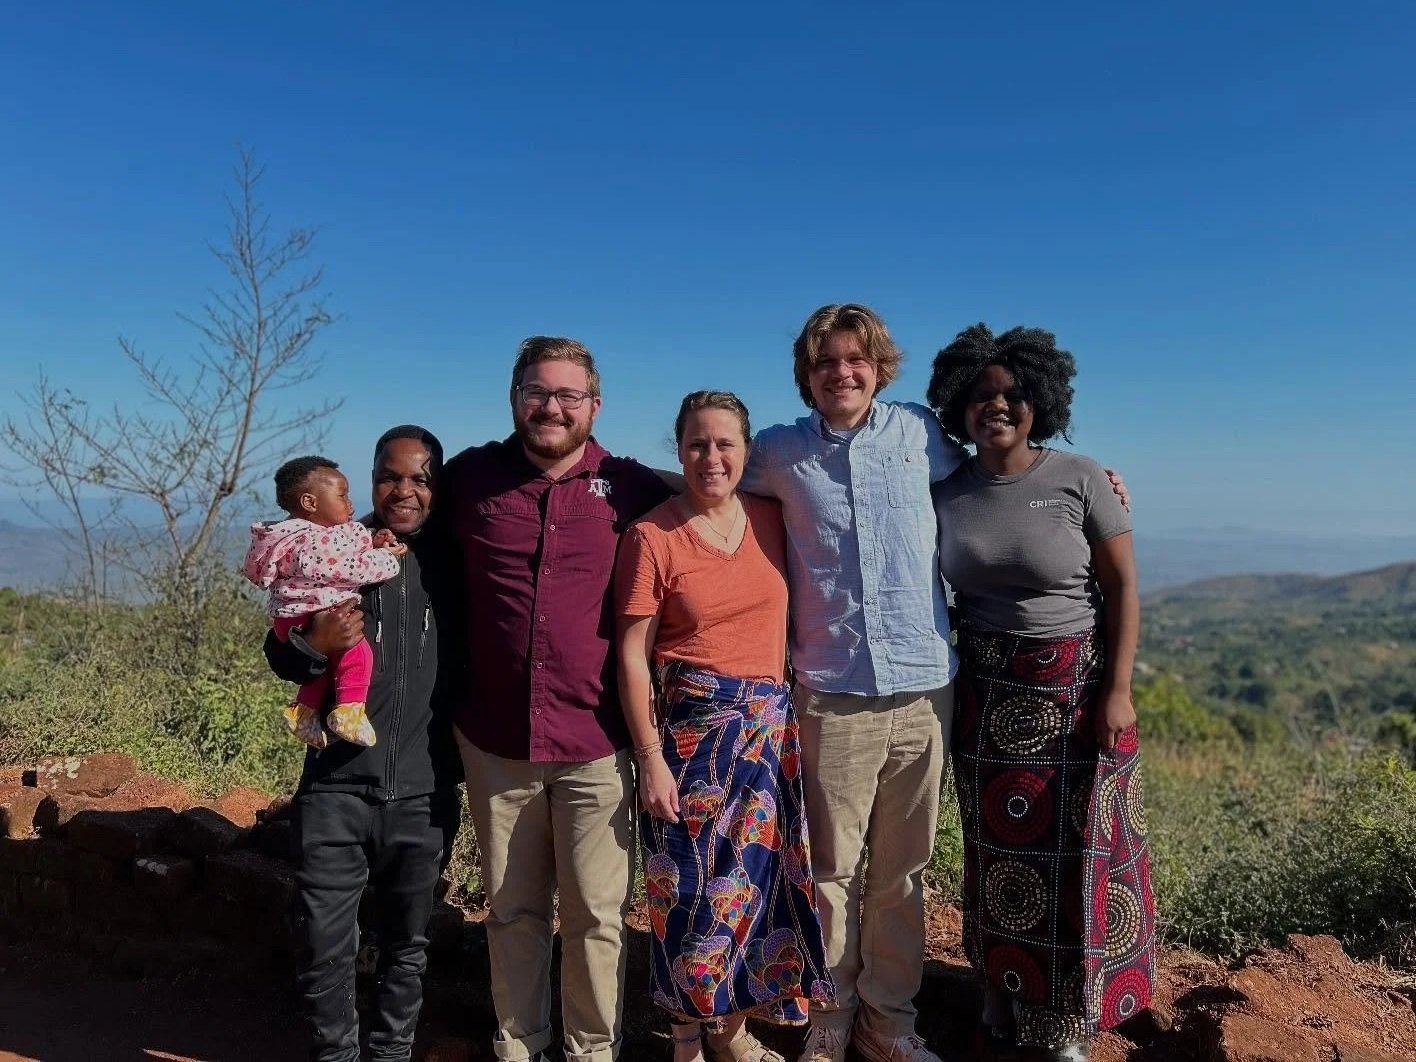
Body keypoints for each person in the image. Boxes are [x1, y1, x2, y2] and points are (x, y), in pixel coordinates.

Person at [741, 305, 1128, 1062]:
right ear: (807, 375)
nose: (842, 373)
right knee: (831, 871)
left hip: (924, 688)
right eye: (826, 363)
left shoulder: (920, 435)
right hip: (831, 687)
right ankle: (831, 1014)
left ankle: (889, 1021)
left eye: (856, 359)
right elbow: (711, 482)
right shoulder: (777, 453)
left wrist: (1097, 489)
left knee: (903, 871)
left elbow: (1002, 474)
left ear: (878, 366)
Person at [440, 336, 673, 1062]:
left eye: (569, 395)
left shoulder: (633, 487)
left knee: (599, 915)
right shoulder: (468, 480)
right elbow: (401, 537)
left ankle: (592, 1051)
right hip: (494, 737)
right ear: (514, 398)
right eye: (537, 392)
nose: (551, 406)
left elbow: (715, 509)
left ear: (595, 406)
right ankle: (520, 1046)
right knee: (512, 911)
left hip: (598, 741)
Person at [928, 325, 1154, 1062]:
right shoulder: (945, 490)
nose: (997, 406)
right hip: (984, 691)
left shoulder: (1079, 477)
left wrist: (1116, 689)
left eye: (1014, 394)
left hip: (1071, 688)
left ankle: (1059, 1021)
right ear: (958, 405)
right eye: (981, 395)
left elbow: (1121, 585)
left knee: (1071, 849)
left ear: (1041, 401)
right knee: (993, 849)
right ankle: (998, 985)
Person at [615, 391, 834, 1062]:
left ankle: (732, 1032)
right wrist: (650, 756)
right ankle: (687, 1038)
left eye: (725, 444)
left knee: (752, 895)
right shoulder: (651, 536)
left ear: (746, 451)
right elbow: (631, 653)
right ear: (679, 450)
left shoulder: (773, 517)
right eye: (697, 444)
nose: (712, 457)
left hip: (767, 741)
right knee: (684, 892)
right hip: (690, 742)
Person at [263, 426, 463, 1062]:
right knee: (326, 940)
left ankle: (391, 1053)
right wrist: (308, 647)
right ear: (372, 476)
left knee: (409, 942)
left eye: (421, 477)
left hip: (425, 787)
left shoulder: (457, 559)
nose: (404, 489)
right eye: (390, 475)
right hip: (335, 782)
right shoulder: (337, 547)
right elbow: (284, 646)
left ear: (439, 484)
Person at [245, 455, 404, 748]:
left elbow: (345, 544)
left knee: (323, 671)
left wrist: (371, 540)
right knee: (358, 655)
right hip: (310, 618)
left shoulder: (290, 534)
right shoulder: (316, 541)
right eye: (342, 495)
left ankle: (304, 712)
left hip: (288, 618)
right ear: (310, 503)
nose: (350, 503)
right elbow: (346, 566)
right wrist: (386, 560)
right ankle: (348, 712)